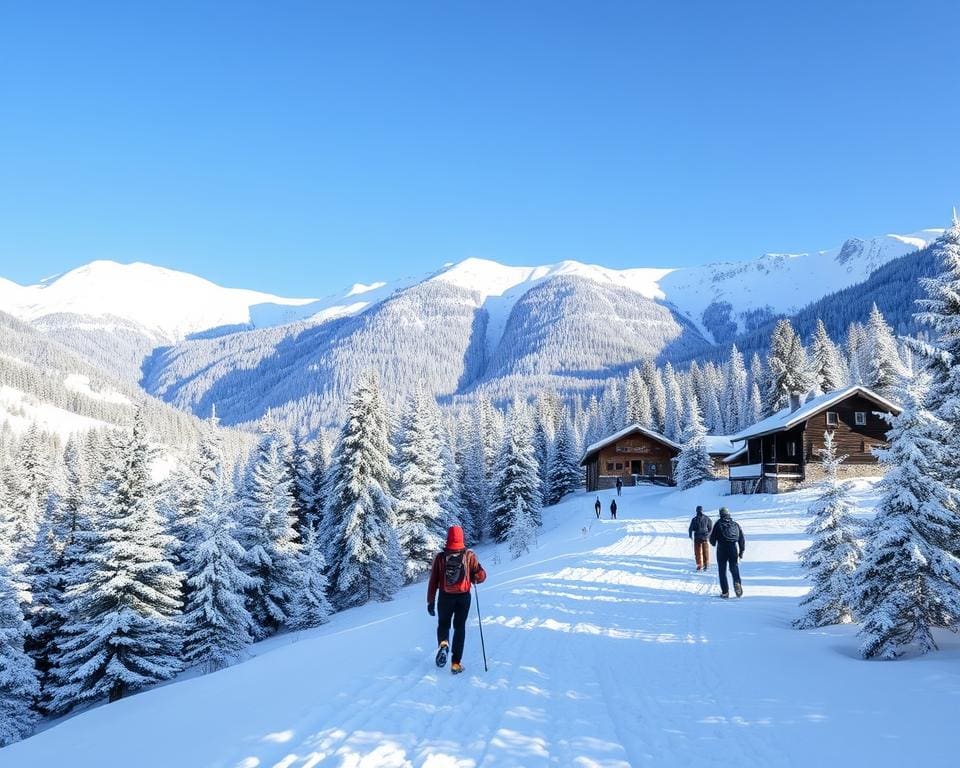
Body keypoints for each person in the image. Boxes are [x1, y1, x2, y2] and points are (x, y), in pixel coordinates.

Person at [427, 525, 487, 674]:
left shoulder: (441, 557)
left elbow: (433, 580)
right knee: (459, 628)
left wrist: (430, 601)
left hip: (445, 597)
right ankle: (455, 664)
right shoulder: (469, 555)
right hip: (463, 598)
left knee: (443, 624)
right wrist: (475, 576)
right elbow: (482, 576)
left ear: (448, 537)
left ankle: (444, 644)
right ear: (462, 537)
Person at [709, 507, 745, 598]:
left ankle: (725, 592)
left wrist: (715, 541)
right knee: (734, 568)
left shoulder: (718, 524)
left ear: (720, 514)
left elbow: (712, 541)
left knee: (722, 571)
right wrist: (741, 552)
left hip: (721, 550)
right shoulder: (735, 524)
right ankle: (737, 583)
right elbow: (741, 539)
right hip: (733, 549)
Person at [688, 506, 713, 571]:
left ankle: (700, 565)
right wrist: (709, 534)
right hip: (703, 537)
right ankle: (705, 564)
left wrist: (690, 534)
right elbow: (710, 527)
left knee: (698, 552)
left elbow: (691, 528)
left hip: (698, 537)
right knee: (705, 551)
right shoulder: (706, 518)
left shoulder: (694, 519)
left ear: (696, 511)